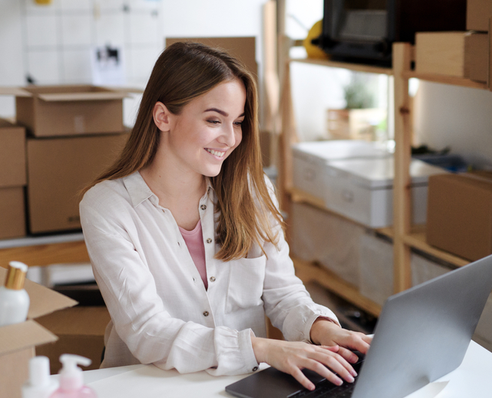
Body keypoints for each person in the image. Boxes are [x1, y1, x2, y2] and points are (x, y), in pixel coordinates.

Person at [79, 41, 371, 391]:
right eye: (214, 120)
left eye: (238, 122)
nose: (230, 138)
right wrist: (263, 348)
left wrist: (325, 329)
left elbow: (282, 292)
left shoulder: (251, 189)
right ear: (163, 117)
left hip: (241, 384)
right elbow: (147, 331)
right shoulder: (108, 206)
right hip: (148, 385)